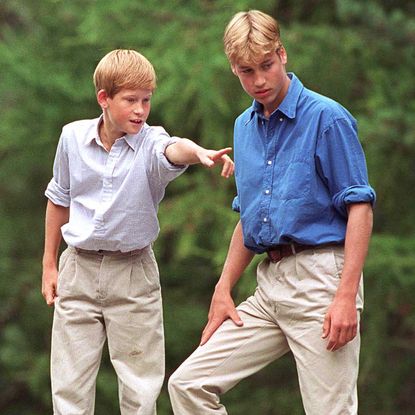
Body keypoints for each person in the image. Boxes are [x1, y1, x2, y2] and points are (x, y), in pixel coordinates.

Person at [168, 10, 376, 415]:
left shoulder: (326, 117)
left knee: (329, 410)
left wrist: (346, 295)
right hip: (269, 287)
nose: (259, 80)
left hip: (322, 282)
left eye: (266, 65)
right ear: (234, 69)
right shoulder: (243, 127)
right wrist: (223, 289)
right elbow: (249, 216)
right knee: (189, 384)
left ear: (282, 54)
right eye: (247, 71)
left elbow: (360, 207)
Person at [41, 49, 234, 415]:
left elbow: (173, 149)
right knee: (68, 385)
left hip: (132, 273)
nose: (140, 110)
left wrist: (200, 152)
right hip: (78, 268)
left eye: (146, 100)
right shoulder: (71, 139)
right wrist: (50, 264)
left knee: (140, 387)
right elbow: (58, 199)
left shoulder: (149, 142)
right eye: (130, 100)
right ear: (104, 99)